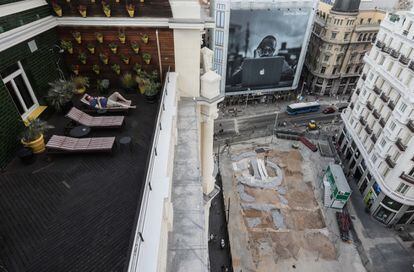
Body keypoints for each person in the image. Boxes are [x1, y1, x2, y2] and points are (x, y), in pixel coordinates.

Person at [228, 35, 294, 86]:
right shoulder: (248, 62)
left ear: (274, 51)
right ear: (259, 48)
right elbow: (233, 80)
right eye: (264, 49)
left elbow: (290, 76)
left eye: (270, 50)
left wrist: (274, 75)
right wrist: (254, 62)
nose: (267, 52)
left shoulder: (280, 62)